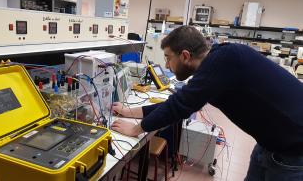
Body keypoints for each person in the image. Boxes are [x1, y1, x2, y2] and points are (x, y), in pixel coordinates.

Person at [111, 26, 303, 180]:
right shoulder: (219, 64)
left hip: (294, 153)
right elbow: (179, 102)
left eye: (168, 58)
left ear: (185, 56)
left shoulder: (223, 61)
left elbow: (179, 105)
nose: (167, 65)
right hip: (270, 144)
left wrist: (136, 129)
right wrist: (131, 112)